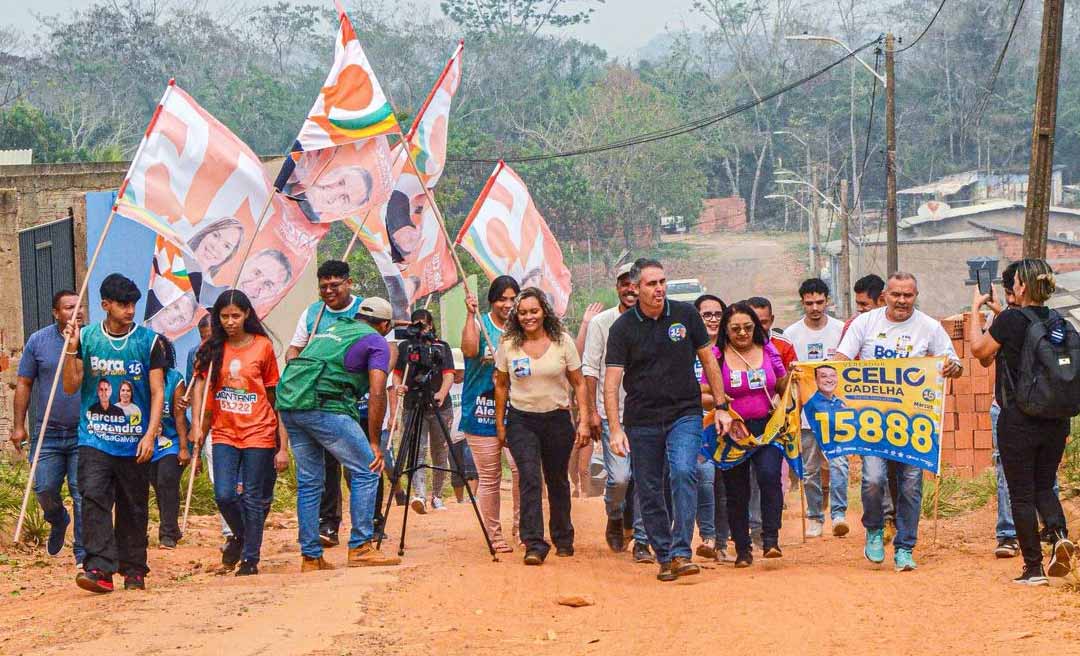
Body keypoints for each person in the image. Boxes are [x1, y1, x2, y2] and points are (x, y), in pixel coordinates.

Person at [604, 258, 734, 582]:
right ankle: (663, 555)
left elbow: (709, 361)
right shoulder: (622, 329)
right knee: (648, 489)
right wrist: (616, 429)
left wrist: (720, 406)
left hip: (684, 413)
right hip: (642, 420)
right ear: (635, 288)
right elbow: (611, 383)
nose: (659, 288)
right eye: (651, 283)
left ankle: (680, 552)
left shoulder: (686, 315)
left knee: (683, 472)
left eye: (662, 282)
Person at [836, 272, 963, 572]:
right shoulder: (865, 324)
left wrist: (950, 367)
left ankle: (905, 547)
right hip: (873, 422)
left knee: (910, 484)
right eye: (896, 295)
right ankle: (875, 530)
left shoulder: (929, 326)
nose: (902, 301)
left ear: (915, 296)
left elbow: (955, 364)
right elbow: (841, 360)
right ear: (885, 297)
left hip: (914, 422)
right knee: (873, 479)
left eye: (908, 295)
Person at [970, 259, 1075, 585]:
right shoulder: (1058, 320)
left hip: (1018, 420)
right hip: (1056, 418)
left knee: (1021, 493)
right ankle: (1058, 538)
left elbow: (978, 350)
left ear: (1023, 286)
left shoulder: (1011, 320)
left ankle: (1033, 568)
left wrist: (976, 310)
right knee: (1044, 484)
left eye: (1013, 282)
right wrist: (1002, 312)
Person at [278, 297, 401, 571]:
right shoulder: (376, 340)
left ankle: (311, 556)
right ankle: (360, 547)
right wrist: (373, 441)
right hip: (325, 407)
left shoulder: (330, 330)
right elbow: (378, 391)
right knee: (368, 469)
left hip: (291, 405)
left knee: (310, 482)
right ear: (385, 325)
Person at [62, 273, 166, 593]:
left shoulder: (148, 342)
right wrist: (70, 350)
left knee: (133, 504)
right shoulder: (88, 337)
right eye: (122, 304)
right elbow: (70, 385)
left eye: (132, 304)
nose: (130, 310)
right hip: (94, 436)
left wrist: (150, 435)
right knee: (93, 497)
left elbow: (158, 391)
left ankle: (134, 568)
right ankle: (99, 568)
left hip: (134, 439)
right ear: (106, 305)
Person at [190, 291, 287, 577]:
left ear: (247, 315)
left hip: (259, 430)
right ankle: (244, 537)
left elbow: (273, 394)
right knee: (224, 494)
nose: (230, 322)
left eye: (236, 315)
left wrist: (282, 440)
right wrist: (197, 427)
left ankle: (250, 559)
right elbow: (201, 390)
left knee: (254, 497)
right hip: (224, 432)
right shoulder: (212, 349)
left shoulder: (263, 346)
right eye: (224, 316)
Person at [494, 287, 591, 565]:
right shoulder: (509, 344)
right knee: (529, 478)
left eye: (533, 311)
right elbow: (500, 385)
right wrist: (501, 424)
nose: (528, 317)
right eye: (522, 312)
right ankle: (534, 543)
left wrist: (583, 419)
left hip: (557, 419)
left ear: (544, 312)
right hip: (522, 420)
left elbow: (578, 381)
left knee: (557, 479)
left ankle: (563, 537)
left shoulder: (562, 341)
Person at [285, 260, 365, 548]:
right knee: (323, 471)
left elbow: (385, 351)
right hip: (318, 402)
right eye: (323, 287)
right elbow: (294, 347)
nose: (329, 291)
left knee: (361, 467)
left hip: (358, 401)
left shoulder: (365, 311)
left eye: (335, 285)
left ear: (349, 283)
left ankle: (370, 527)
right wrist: (295, 366)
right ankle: (327, 527)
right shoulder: (313, 314)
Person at [10, 290, 86, 566]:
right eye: (68, 308)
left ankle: (83, 554)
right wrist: (19, 426)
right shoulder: (38, 341)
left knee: (81, 492)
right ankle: (58, 519)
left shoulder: (91, 340)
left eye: (79, 307)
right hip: (48, 432)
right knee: (43, 488)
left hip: (83, 431)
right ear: (56, 313)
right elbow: (24, 384)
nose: (76, 312)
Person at [582, 263, 651, 558]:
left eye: (636, 283)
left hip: (647, 414)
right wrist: (591, 414)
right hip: (613, 415)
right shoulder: (602, 322)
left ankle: (642, 537)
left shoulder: (654, 321)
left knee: (644, 477)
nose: (631, 289)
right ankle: (615, 514)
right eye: (625, 283)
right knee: (620, 478)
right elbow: (589, 368)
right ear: (617, 288)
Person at [714, 302, 789, 567]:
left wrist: (794, 379)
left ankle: (770, 539)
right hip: (732, 431)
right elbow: (701, 391)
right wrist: (721, 403)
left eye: (748, 327)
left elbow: (781, 382)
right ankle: (742, 550)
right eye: (736, 329)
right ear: (726, 330)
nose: (743, 333)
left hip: (767, 428)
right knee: (736, 490)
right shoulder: (716, 355)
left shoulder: (768, 350)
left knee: (770, 476)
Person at [783, 278, 849, 539]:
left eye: (819, 302)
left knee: (839, 464)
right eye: (809, 303)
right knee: (809, 469)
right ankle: (814, 516)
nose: (814, 307)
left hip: (837, 412)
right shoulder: (791, 334)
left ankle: (839, 514)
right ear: (802, 303)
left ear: (827, 301)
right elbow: (786, 374)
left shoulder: (841, 329)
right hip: (806, 415)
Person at [461, 276, 522, 553]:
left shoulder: (522, 328)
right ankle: (494, 536)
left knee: (522, 471)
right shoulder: (479, 324)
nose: (507, 305)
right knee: (490, 476)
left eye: (513, 299)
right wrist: (469, 315)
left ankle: (521, 530)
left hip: (516, 411)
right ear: (492, 301)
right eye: (502, 299)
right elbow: (469, 350)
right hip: (481, 411)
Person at [389, 308, 456, 514]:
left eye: (423, 324)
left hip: (439, 407)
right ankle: (419, 494)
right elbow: (397, 375)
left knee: (439, 451)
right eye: (415, 324)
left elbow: (449, 374)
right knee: (417, 451)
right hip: (412, 405)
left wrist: (441, 393)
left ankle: (437, 495)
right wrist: (399, 387)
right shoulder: (406, 347)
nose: (420, 328)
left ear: (431, 325)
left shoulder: (441, 347)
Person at [693, 294, 728, 562]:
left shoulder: (731, 349)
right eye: (707, 315)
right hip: (692, 422)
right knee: (704, 477)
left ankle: (723, 542)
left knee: (725, 484)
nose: (714, 319)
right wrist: (717, 397)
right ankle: (708, 536)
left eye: (718, 314)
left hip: (728, 423)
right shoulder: (685, 349)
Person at [149, 337, 190, 549]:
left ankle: (167, 534)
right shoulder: (138, 378)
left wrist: (183, 447)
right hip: (145, 442)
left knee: (166, 481)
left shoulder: (175, 379)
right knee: (156, 483)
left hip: (171, 441)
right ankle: (172, 526)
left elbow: (179, 415)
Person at [569, 302, 603, 498]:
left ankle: (585, 494)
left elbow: (578, 354)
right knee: (571, 467)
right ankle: (576, 489)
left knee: (584, 468)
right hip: (569, 429)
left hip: (586, 428)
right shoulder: (568, 382)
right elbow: (576, 352)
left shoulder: (585, 378)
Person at [447, 348, 479, 503]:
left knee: (471, 464)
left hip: (467, 431)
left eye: (460, 370)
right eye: (456, 370)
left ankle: (473, 496)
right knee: (455, 468)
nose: (458, 374)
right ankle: (460, 500)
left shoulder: (470, 385)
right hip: (451, 434)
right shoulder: (445, 387)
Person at [746, 297, 797, 370]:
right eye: (753, 322)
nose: (758, 327)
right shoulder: (737, 343)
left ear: (772, 320)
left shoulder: (784, 344)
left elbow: (793, 376)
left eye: (763, 322)